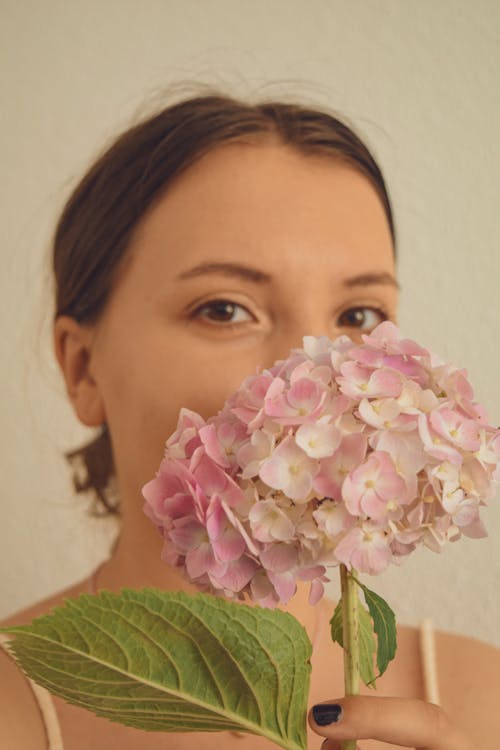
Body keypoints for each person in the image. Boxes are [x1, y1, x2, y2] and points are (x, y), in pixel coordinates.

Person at [1, 90, 498, 750]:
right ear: (83, 369)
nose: (311, 371)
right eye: (224, 309)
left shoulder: (485, 701)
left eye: (358, 317)